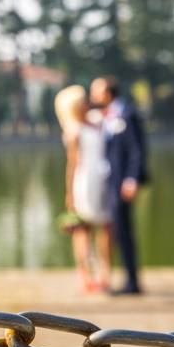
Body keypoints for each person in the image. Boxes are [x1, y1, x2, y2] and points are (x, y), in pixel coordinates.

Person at [90, 75, 148, 295]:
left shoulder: (128, 114)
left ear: (106, 91)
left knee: (124, 232)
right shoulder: (106, 116)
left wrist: (132, 179)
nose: (93, 94)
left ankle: (132, 283)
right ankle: (127, 280)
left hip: (124, 183)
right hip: (110, 182)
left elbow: (137, 150)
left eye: (96, 90)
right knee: (118, 231)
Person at [54, 84, 113, 293]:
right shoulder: (74, 131)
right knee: (83, 229)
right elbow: (72, 164)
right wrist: (69, 193)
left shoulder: (98, 120)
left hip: (104, 179)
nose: (88, 103)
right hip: (85, 182)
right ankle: (85, 274)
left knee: (107, 228)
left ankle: (105, 274)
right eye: (83, 101)